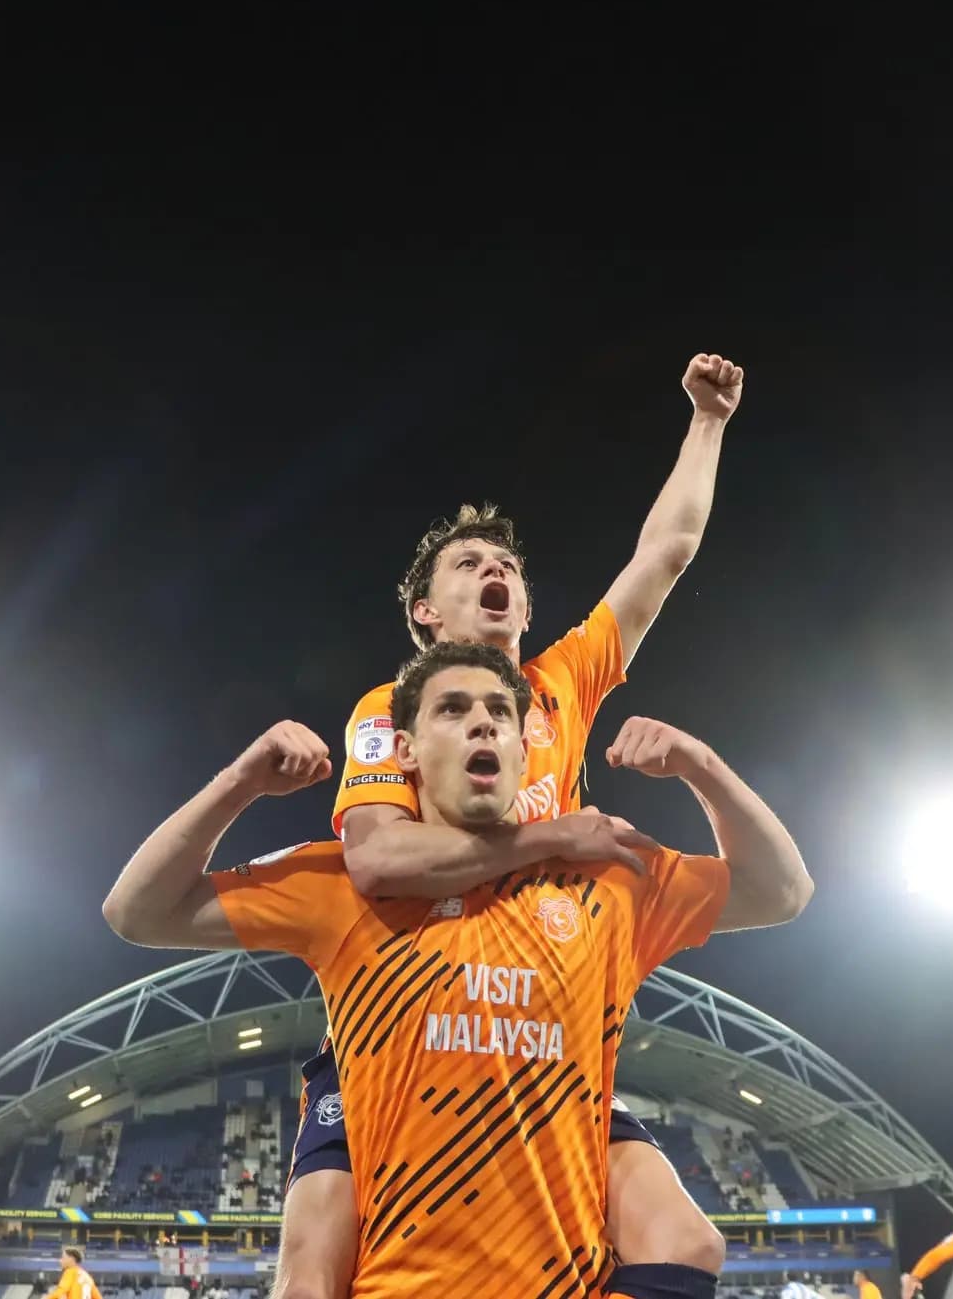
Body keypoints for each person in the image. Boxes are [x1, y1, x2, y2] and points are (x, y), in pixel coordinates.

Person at [102, 641, 812, 1298]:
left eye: (501, 712)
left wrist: (702, 767)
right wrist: (239, 782)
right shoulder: (343, 887)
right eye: (453, 708)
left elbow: (781, 890)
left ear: (524, 750)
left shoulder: (608, 878)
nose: (483, 724)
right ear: (404, 750)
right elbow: (136, 911)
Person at [290, 352, 749, 1299]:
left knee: (687, 1244)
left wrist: (708, 423)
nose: (496, 571)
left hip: (544, 1030)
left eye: (509, 566)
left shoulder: (562, 686)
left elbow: (664, 554)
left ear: (527, 607)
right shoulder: (391, 710)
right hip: (408, 1037)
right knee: (313, 1276)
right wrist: (553, 837)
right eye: (470, 565)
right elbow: (379, 857)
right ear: (426, 612)